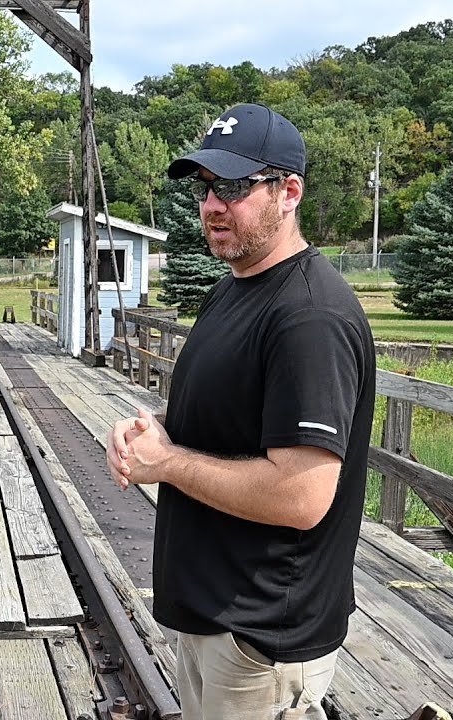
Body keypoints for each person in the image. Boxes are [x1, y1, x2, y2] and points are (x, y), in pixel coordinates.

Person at [105, 103, 376, 720]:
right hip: (212, 618)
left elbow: (302, 495)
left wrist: (169, 464)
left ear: (289, 192)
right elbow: (223, 425)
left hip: (260, 638)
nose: (211, 205)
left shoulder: (310, 317)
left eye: (233, 186)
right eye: (205, 188)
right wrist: (150, 434)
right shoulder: (232, 289)